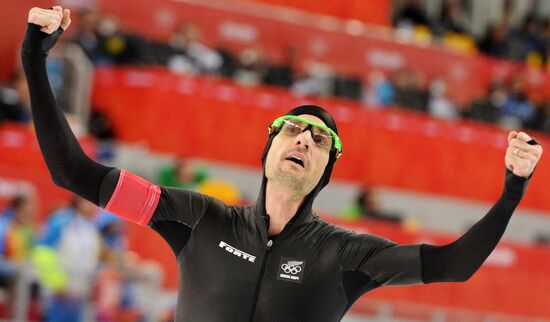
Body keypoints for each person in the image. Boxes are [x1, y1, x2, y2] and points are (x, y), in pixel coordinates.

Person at [21, 7, 544, 322]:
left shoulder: (345, 254)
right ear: (269, 150)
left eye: (320, 140)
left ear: (324, 170)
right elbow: (74, 173)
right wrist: (34, 62)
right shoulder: (199, 219)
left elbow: (455, 266)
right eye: (293, 128)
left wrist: (512, 192)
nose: (304, 140)